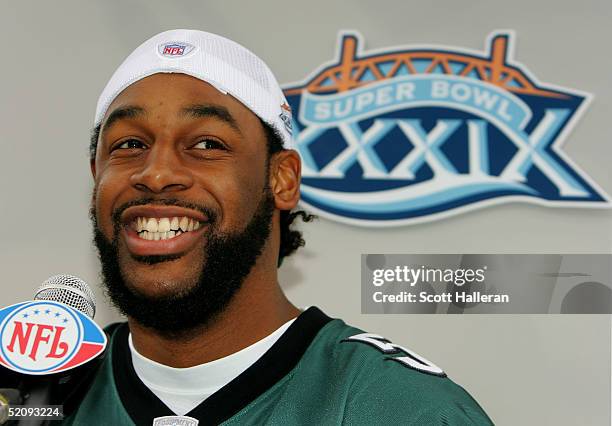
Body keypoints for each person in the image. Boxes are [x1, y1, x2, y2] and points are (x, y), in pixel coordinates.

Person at [64, 29, 493, 425]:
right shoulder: (37, 395)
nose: (156, 174)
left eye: (207, 144)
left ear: (281, 179)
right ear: (96, 177)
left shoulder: (401, 408)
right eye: (129, 145)